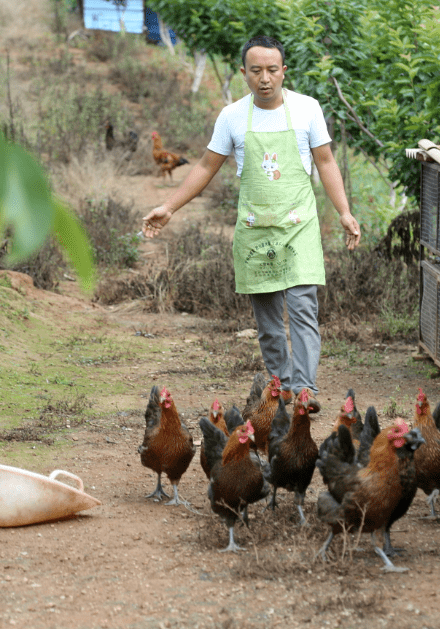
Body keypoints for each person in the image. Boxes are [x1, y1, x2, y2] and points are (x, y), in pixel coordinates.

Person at [141, 35, 361, 410]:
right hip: (256, 230)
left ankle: (305, 389)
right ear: (243, 73)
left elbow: (325, 162)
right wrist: (170, 206)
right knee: (268, 320)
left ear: (283, 71)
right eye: (256, 70)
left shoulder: (307, 109)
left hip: (299, 226)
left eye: (272, 70)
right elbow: (206, 166)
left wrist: (344, 211)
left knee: (303, 309)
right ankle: (283, 387)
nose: (264, 78)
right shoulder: (232, 116)